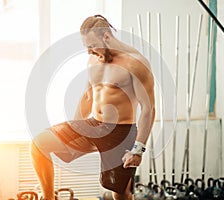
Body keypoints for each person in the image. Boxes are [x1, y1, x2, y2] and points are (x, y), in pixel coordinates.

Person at [30, 15, 155, 200]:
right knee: (38, 145)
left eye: (91, 45)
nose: (89, 51)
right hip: (93, 124)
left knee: (120, 195)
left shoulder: (135, 63)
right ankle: (48, 197)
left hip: (120, 133)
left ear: (106, 36)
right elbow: (88, 96)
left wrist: (138, 149)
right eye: (86, 47)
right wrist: (73, 126)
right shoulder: (94, 60)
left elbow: (148, 109)